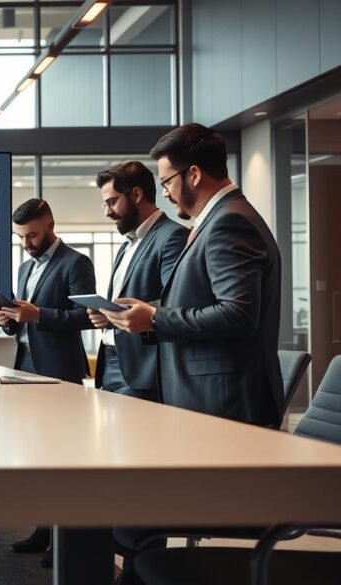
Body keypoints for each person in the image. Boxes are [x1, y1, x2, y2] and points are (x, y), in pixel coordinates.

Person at [101, 124, 283, 584]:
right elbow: (209, 302)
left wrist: (156, 320)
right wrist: (152, 310)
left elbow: (238, 315)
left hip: (221, 411)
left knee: (130, 508)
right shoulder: (219, 221)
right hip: (206, 404)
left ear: (194, 174)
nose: (165, 192)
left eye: (166, 181)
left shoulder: (229, 222)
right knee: (128, 507)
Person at [0, 198, 96, 566]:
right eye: (21, 236)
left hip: (58, 370)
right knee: (36, 453)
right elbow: (21, 324)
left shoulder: (76, 262)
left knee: (60, 456)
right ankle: (42, 528)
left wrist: (39, 314)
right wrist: (8, 319)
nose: (26, 242)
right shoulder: (24, 267)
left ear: (50, 224)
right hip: (25, 367)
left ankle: (62, 539)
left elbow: (86, 316)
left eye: (32, 234)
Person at [88, 162, 188, 401]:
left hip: (143, 370)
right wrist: (109, 315)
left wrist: (122, 312)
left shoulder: (172, 236)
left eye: (112, 202)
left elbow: (177, 301)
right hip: (111, 362)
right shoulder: (126, 245)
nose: (107, 212)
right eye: (105, 204)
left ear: (136, 195)